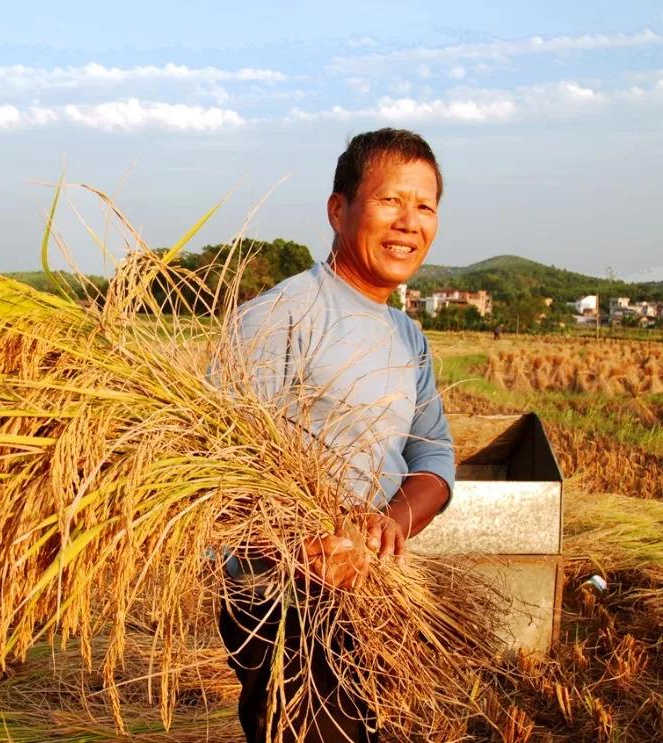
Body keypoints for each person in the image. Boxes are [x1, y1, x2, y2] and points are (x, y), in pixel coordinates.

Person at [218, 128, 455, 743]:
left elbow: (433, 453)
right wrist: (305, 553)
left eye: (425, 206)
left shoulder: (408, 338)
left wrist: (390, 528)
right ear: (338, 209)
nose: (409, 223)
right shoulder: (279, 317)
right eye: (390, 200)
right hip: (284, 603)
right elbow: (216, 474)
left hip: (371, 593)